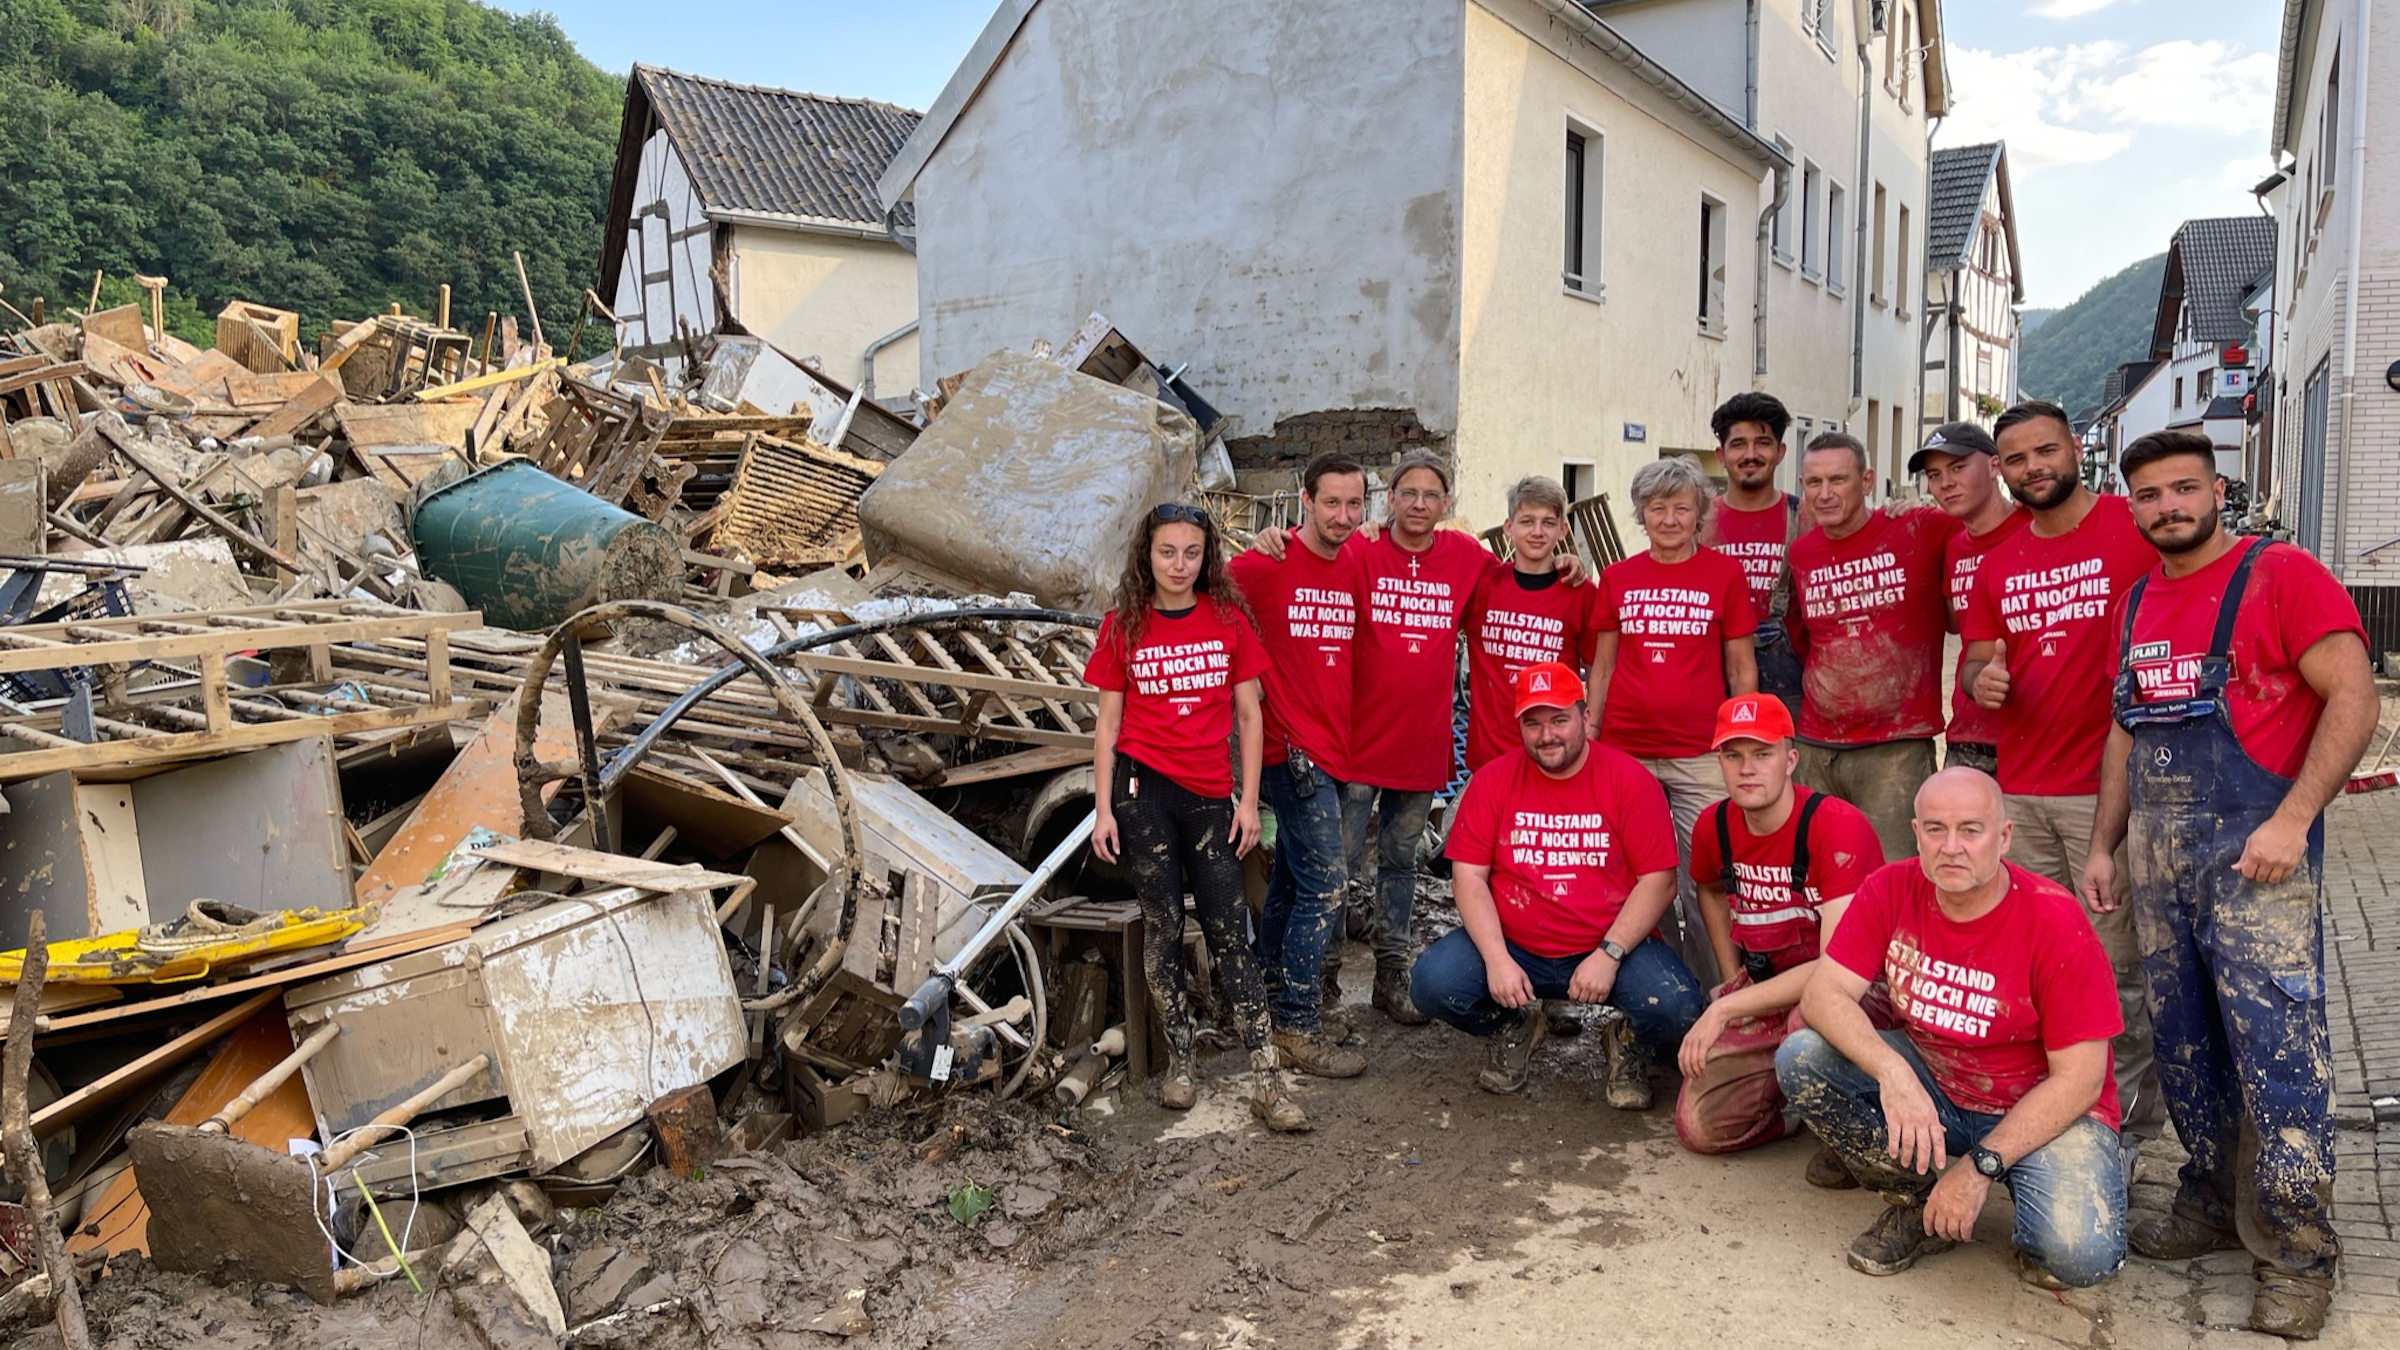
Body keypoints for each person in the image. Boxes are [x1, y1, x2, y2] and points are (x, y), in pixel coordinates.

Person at [2084, 430, 2377, 1339]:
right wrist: (2104, 843)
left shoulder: (2279, 577)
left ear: (2218, 491)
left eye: (2183, 489)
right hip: (2159, 863)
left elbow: (2355, 697)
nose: (2167, 507)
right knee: (2184, 1049)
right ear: (2132, 507)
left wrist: (2293, 820)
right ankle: (2211, 1200)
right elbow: (2127, 734)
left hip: (2260, 861)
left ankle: (2298, 1254)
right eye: (2149, 496)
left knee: (2278, 1058)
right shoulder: (2136, 604)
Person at [1777, 768, 2127, 1290]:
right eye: (1936, 830)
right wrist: (1893, 1074)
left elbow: (2079, 1078)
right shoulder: (1892, 887)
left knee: (2075, 1258)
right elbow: (1823, 995)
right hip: (1936, 1081)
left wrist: (1981, 1166)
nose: (1952, 847)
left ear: (2004, 837)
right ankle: (1915, 1204)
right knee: (1802, 1056)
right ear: (1916, 833)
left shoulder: (2054, 919)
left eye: (1971, 829)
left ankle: (2081, 1173)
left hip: (2037, 1104)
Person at [1959, 399, 2161, 1142]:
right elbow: (1979, 657)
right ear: (2001, 471)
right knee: (2037, 969)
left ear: (2074, 448)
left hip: (2104, 794)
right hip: (2022, 790)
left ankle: (2123, 1135)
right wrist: (1981, 680)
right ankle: (2049, 1115)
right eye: (2016, 459)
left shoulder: (2130, 529)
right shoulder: (2000, 563)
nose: (2033, 468)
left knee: (2113, 975)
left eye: (2044, 451)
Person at [1086, 502, 1309, 1131]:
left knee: (1227, 929)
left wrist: (1247, 801)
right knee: (1162, 924)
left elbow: (1250, 716)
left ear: (1206, 556)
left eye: (1192, 552)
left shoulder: (1228, 620)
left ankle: (1267, 1076)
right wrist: (1103, 809)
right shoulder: (1123, 625)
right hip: (1141, 792)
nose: (1179, 565)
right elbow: (1107, 725)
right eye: (1167, 552)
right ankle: (1183, 1061)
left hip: (1211, 795)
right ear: (1146, 556)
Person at [1410, 662, 1705, 1108]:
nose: (1547, 735)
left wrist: (1610, 954)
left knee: (1679, 1008)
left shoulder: (1628, 780)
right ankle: (1514, 1028)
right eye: (1533, 723)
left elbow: (1659, 881)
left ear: (1585, 718)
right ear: (1520, 727)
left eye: (1559, 720)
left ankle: (1627, 1043)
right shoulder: (1492, 781)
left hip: (1607, 947)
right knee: (1431, 984)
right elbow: (1468, 876)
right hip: (1517, 946)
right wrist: (1496, 960)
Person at [1673, 694, 1885, 1174]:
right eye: (1733, 755)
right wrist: (1732, 979)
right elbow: (1708, 888)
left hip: (1853, 993)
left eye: (1762, 754)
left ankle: (1855, 1129)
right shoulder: (1713, 826)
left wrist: (1725, 1007)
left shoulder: (1835, 826)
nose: (1747, 769)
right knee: (1700, 1127)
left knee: (1805, 1024)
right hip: (1768, 987)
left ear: (1791, 760)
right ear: (1719, 762)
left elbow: (1837, 970)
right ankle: (1792, 1113)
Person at [1228, 454, 1371, 1080]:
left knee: (1291, 879)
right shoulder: (1265, 564)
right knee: (1326, 885)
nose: (1342, 516)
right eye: (1330, 503)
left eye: (1354, 504)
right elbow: (1199, 588)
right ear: (1304, 501)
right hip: (1291, 749)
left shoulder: (1359, 560)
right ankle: (1298, 1024)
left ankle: (1265, 1001)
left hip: (1335, 747)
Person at [1591, 456, 1757, 984]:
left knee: (1705, 878)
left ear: (1699, 513)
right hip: (1626, 750)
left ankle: (1717, 996)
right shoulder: (1617, 578)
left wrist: (1743, 739)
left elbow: (1740, 665)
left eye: (1680, 508)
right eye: (1656, 508)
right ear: (1640, 514)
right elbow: (1602, 665)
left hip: (1701, 753)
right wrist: (1593, 733)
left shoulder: (1724, 574)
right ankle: (1660, 991)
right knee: (1644, 875)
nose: (1668, 519)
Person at [1783, 431, 1960, 858]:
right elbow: (1804, 639)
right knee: (1823, 873)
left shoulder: (1920, 527)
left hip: (1895, 747)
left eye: (1838, 481)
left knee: (1895, 874)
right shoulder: (1802, 553)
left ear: (1866, 481)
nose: (1824, 494)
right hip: (1816, 746)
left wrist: (1932, 504)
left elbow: (1991, 524)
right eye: (1813, 483)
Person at [1914, 422, 2025, 776]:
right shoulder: (1955, 546)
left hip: (2032, 731)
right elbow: (1953, 622)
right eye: (1934, 474)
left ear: (1995, 466)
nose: (1945, 483)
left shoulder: (2033, 528)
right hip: (1968, 728)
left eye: (1958, 467)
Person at [1464, 475, 1595, 773]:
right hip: (1489, 758)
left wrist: (1593, 729)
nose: (1537, 532)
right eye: (1527, 521)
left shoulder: (1581, 594)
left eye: (1548, 523)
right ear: (1508, 527)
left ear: (1563, 529)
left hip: (1554, 755)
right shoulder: (1482, 585)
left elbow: (1599, 669)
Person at [1699, 392, 1804, 718]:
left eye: (1762, 443)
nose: (1750, 454)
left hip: (1789, 692)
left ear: (1780, 451)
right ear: (1721, 454)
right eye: (1739, 444)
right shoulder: (1698, 523)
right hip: (1711, 680)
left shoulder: (1804, 518)